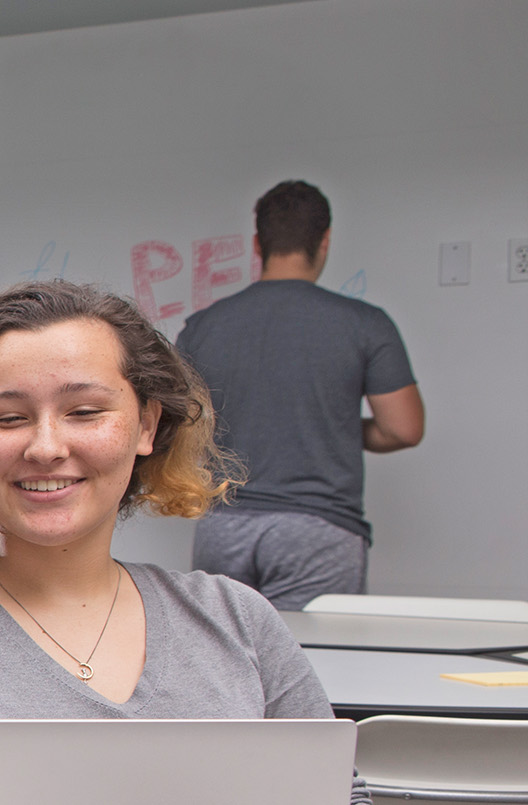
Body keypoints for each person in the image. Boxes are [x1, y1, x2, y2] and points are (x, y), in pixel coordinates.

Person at [0, 281, 368, 803]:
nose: (46, 447)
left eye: (85, 411)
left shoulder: (238, 620)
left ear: (146, 425)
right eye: (7, 417)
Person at [176, 180, 423, 610]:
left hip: (224, 523)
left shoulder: (203, 326)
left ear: (258, 243)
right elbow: (403, 429)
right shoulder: (364, 323)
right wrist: (335, 423)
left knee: (222, 665)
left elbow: (177, 424)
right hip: (317, 530)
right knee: (315, 665)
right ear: (324, 241)